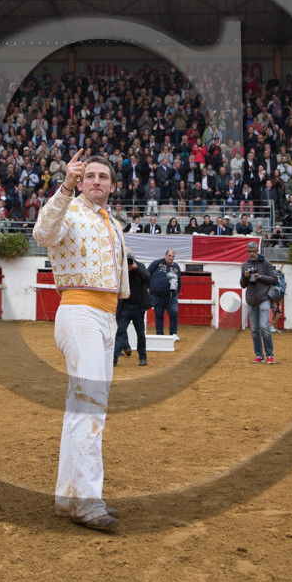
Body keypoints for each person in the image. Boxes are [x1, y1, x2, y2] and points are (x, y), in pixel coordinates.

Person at [32, 149, 128, 532]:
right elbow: (42, 233)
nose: (96, 181)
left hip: (106, 317)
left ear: (112, 185)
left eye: (102, 177)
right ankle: (88, 503)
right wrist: (65, 187)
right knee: (89, 410)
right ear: (80, 180)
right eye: (89, 176)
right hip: (79, 311)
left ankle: (70, 497)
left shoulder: (114, 224)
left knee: (86, 409)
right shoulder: (68, 209)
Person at [240, 240, 279, 364]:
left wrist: (260, 277)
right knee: (254, 330)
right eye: (250, 251)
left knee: (264, 327)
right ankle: (259, 355)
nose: (252, 253)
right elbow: (242, 285)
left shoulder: (265, 263)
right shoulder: (244, 265)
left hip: (263, 298)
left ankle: (270, 354)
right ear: (247, 252)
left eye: (254, 251)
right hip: (251, 300)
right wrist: (244, 277)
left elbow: (274, 279)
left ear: (258, 251)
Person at [114, 254, 151, 366]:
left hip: (138, 306)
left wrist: (136, 268)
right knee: (120, 332)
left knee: (140, 334)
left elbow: (147, 277)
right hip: (124, 306)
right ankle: (114, 359)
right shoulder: (121, 268)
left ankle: (142, 358)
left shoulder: (140, 266)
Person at [148, 249, 183, 337]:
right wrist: (147, 287)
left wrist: (176, 292)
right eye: (169, 256)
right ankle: (159, 334)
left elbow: (179, 280)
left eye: (172, 256)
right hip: (157, 295)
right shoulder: (157, 263)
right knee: (159, 315)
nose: (171, 258)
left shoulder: (176, 267)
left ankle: (173, 334)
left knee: (174, 313)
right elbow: (147, 274)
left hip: (171, 296)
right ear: (165, 255)